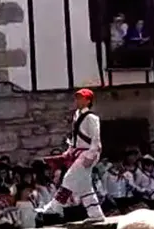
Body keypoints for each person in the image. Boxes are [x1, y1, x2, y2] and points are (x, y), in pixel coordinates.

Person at [39, 88, 105, 222]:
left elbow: (95, 139)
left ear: (88, 101)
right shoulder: (76, 115)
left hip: (87, 152)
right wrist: (69, 151)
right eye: (77, 98)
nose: (78, 100)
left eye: (81, 98)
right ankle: (95, 213)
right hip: (79, 151)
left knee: (69, 178)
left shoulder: (92, 117)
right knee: (84, 185)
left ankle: (55, 206)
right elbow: (75, 137)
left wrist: (90, 155)